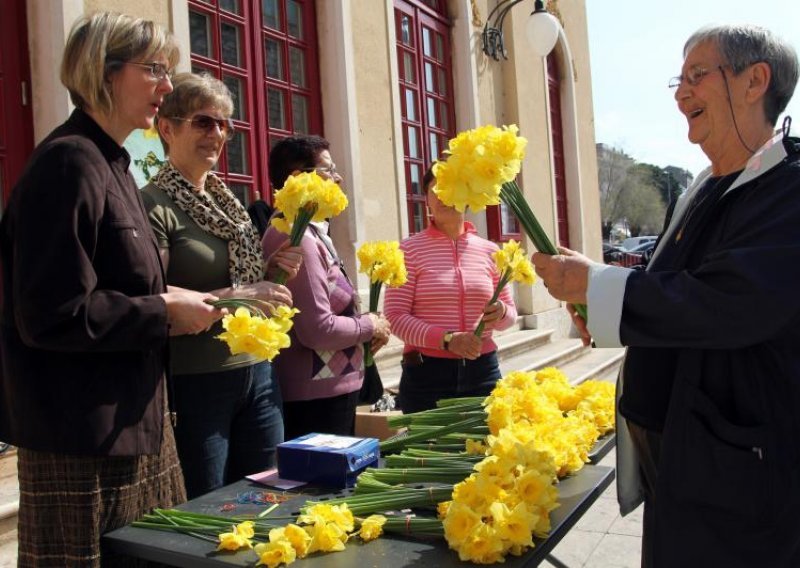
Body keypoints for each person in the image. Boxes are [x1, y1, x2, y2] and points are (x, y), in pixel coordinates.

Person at [532, 24, 800, 568]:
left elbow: (729, 304)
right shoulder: (707, 185)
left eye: (698, 76)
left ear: (756, 81)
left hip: (744, 481)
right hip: (685, 466)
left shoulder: (789, 186)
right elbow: (668, 291)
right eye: (679, 79)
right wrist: (598, 303)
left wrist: (597, 286)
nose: (682, 93)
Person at [0, 13, 224, 567]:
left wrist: (205, 299)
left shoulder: (115, 163)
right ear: (104, 70)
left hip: (135, 427)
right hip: (82, 441)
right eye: (153, 70)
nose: (167, 87)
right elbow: (51, 313)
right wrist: (164, 312)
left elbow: (120, 282)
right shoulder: (68, 162)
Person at [142, 73, 302, 499]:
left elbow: (237, 281)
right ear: (167, 128)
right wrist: (242, 295)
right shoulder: (152, 204)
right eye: (203, 122)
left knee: (266, 497)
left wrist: (270, 272)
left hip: (258, 372)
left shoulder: (226, 201)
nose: (216, 134)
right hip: (198, 382)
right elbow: (155, 298)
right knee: (209, 503)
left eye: (223, 124)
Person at [262, 135, 392, 440]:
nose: (338, 177)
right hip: (315, 395)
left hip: (329, 386)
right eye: (327, 170)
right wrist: (370, 324)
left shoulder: (309, 232)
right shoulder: (295, 238)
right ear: (298, 180)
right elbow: (317, 329)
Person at [384, 164, 518, 413]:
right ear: (426, 199)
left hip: (483, 370)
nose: (444, 196)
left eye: (452, 188)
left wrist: (501, 312)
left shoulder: (491, 251)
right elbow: (395, 317)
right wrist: (447, 340)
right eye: (436, 190)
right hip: (426, 373)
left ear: (468, 196)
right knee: (426, 450)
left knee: (483, 447)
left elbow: (510, 315)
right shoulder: (407, 251)